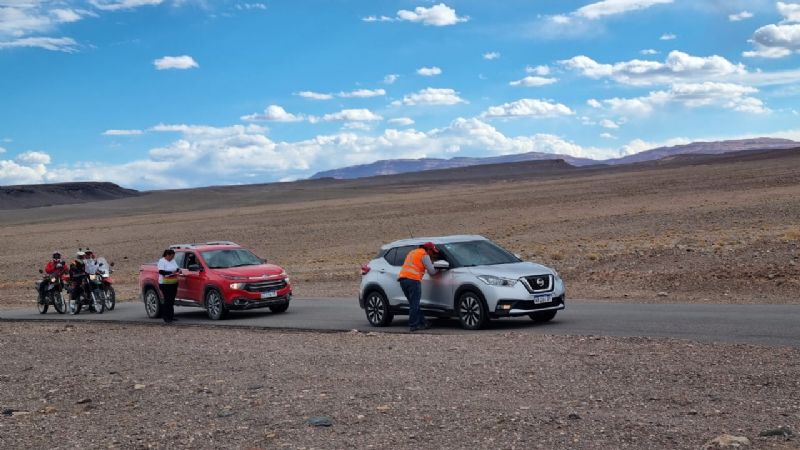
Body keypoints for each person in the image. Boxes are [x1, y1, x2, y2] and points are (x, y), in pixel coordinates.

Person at [397, 242, 440, 332]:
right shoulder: (424, 255)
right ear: (428, 249)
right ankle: (413, 325)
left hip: (402, 280)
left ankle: (424, 322)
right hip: (413, 280)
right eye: (433, 251)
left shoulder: (412, 252)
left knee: (414, 303)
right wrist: (438, 268)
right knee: (414, 304)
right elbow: (432, 272)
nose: (433, 254)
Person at [157, 249, 180, 324]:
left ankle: (171, 316)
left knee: (172, 300)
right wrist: (170, 272)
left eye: (173, 256)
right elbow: (161, 271)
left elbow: (176, 268)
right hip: (165, 283)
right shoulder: (162, 261)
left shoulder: (173, 261)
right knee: (167, 300)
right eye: (172, 256)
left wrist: (178, 270)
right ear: (167, 255)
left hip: (173, 282)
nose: (172, 258)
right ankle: (166, 317)